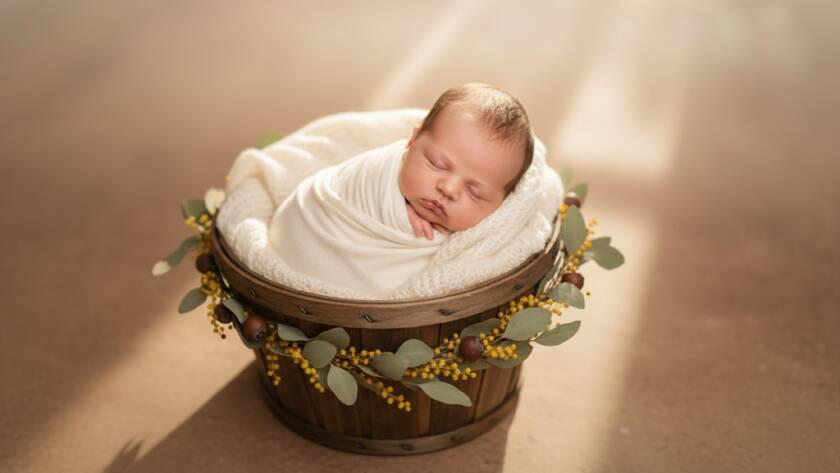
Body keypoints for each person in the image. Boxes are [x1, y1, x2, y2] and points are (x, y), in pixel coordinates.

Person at [399, 83, 534, 239]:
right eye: (437, 164)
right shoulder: (378, 172)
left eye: (475, 193)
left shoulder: (480, 245)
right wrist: (397, 210)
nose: (449, 189)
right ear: (413, 141)